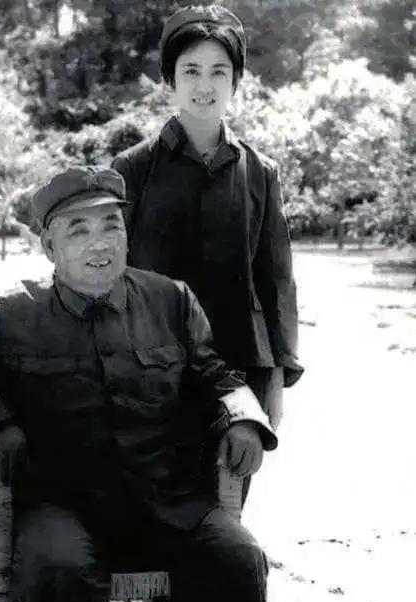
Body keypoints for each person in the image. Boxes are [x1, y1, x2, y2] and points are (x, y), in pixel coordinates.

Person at [0, 166, 284, 602]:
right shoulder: (6, 314)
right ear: (50, 246)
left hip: (168, 503)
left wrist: (245, 418)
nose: (100, 244)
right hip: (61, 509)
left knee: (239, 558)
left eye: (111, 225)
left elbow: (217, 376)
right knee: (60, 573)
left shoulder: (171, 300)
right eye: (79, 230)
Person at [112, 5, 304, 505]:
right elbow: (108, 274)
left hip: (239, 375)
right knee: (148, 514)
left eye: (219, 71)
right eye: (191, 71)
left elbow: (276, 280)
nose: (205, 85)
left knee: (223, 511)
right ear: (169, 80)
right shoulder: (132, 169)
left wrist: (276, 378)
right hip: (149, 373)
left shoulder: (260, 172)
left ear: (236, 81)